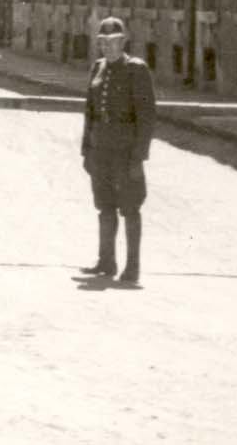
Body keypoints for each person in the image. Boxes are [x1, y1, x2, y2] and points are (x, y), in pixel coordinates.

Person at [78, 16, 155, 284]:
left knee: (130, 209)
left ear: (124, 42)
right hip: (100, 151)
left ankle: (132, 267)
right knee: (105, 207)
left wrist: (138, 157)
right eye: (102, 42)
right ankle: (106, 262)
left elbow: (146, 117)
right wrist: (86, 150)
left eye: (113, 42)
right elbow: (89, 111)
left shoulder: (137, 69)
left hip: (125, 152)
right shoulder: (97, 68)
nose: (107, 47)